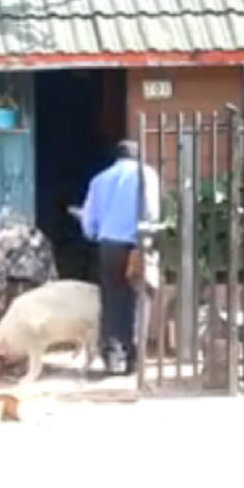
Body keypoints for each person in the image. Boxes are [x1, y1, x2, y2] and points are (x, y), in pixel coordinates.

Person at [73, 140, 160, 376]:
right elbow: (152, 212)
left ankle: (112, 353)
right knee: (138, 298)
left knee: (112, 298)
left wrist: (92, 233)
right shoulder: (148, 175)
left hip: (110, 245)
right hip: (138, 244)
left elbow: (89, 219)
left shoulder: (100, 179)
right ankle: (135, 358)